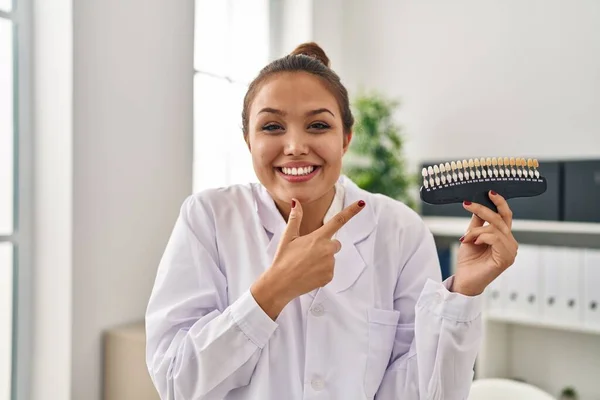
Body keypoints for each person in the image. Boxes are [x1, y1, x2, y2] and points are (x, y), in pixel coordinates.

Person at [145, 42, 518, 400]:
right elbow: (177, 384)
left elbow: (425, 394)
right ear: (248, 140)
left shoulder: (399, 230)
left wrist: (463, 294)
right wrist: (270, 293)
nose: (294, 146)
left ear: (346, 139)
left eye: (318, 126)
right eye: (272, 126)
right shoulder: (209, 218)